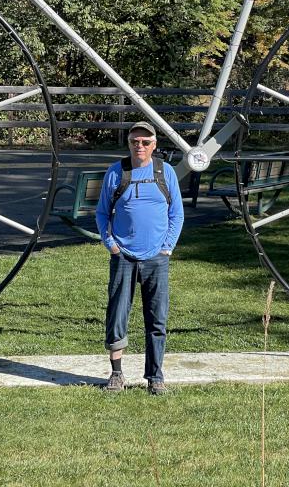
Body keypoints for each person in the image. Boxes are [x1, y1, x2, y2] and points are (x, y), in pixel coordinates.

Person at [95, 121, 184, 395]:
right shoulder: (116, 172)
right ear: (129, 144)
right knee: (117, 314)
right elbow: (101, 213)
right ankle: (116, 374)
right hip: (123, 257)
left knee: (157, 318)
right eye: (135, 141)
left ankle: (155, 377)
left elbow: (176, 214)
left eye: (146, 142)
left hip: (157, 259)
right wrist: (111, 245)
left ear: (154, 145)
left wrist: (167, 247)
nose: (140, 146)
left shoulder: (165, 172)